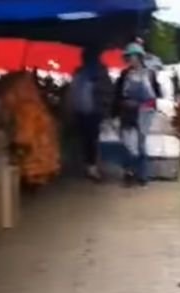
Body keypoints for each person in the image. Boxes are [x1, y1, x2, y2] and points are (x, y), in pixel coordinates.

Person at [114, 42, 161, 186]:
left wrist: (147, 105)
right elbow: (118, 95)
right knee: (128, 145)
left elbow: (157, 94)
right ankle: (128, 172)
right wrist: (119, 107)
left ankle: (142, 175)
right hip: (128, 113)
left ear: (140, 57)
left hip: (145, 113)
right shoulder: (124, 75)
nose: (130, 60)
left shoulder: (150, 74)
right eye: (128, 57)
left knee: (141, 144)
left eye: (133, 57)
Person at [69, 47, 113, 181]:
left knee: (91, 139)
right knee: (87, 139)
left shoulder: (98, 74)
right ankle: (90, 165)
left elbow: (107, 93)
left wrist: (105, 110)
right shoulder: (82, 72)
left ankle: (92, 166)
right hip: (84, 111)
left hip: (92, 111)